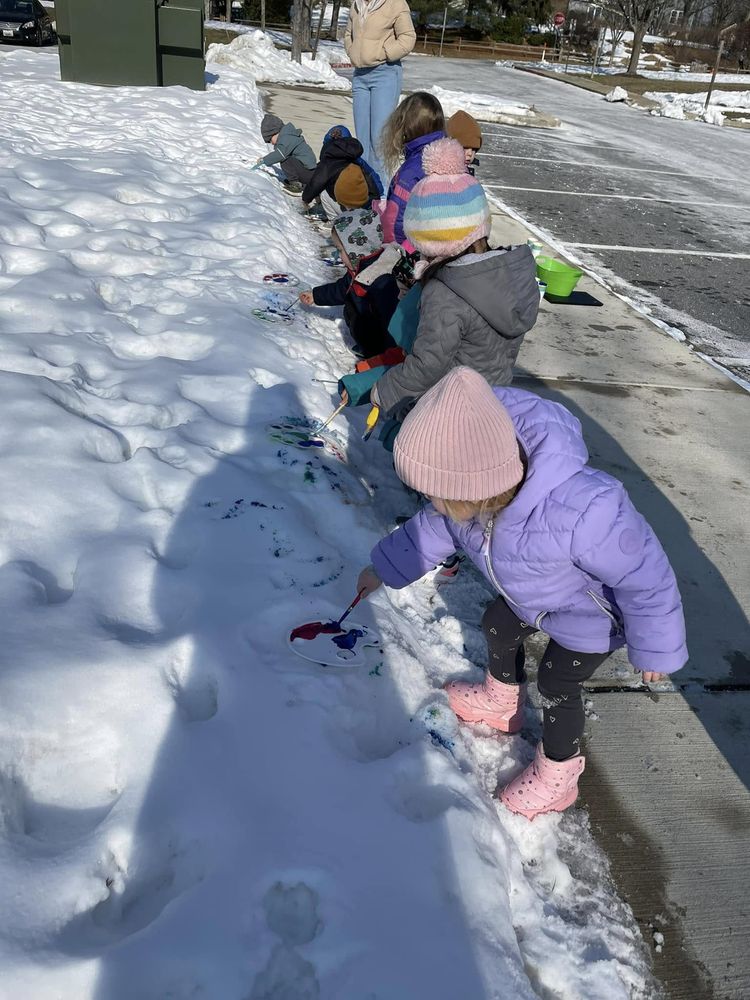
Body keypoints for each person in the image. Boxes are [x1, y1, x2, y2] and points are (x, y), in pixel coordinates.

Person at [357, 367, 688, 819]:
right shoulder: (466, 497)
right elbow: (432, 529)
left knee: (556, 680)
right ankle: (500, 703)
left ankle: (558, 775)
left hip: (588, 615)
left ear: (483, 485)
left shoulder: (586, 509)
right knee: (497, 623)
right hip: (532, 597)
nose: (435, 505)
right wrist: (384, 567)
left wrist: (656, 647)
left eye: (441, 496)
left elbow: (645, 575)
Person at [371, 137, 539, 419]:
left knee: (397, 437)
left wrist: (383, 391)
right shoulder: (508, 273)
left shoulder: (446, 291)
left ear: (428, 237)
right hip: (494, 401)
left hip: (452, 409)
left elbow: (427, 366)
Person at [299, 209, 398, 358]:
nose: (338, 256)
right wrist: (316, 295)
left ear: (356, 250)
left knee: (356, 314)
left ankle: (374, 352)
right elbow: (342, 288)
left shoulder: (383, 282)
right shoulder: (360, 267)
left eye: (340, 250)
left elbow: (393, 326)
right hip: (371, 325)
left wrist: (385, 359)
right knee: (350, 308)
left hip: (386, 342)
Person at [345, 0, 417, 188]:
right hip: (360, 76)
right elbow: (347, 34)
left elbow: (408, 37)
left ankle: (381, 194)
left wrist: (384, 53)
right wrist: (352, 52)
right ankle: (366, 192)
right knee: (361, 141)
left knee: (379, 140)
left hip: (385, 73)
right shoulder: (356, 4)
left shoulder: (396, 3)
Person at [378, 91, 445, 249]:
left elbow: (395, 219)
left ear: (406, 128)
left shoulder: (412, 170)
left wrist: (389, 249)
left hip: (411, 250)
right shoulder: (447, 157)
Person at [302, 125, 383, 220]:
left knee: (323, 193)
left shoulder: (329, 161)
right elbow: (377, 186)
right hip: (367, 206)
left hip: (350, 208)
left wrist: (305, 199)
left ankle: (335, 221)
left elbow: (316, 183)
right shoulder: (358, 160)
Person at [257, 113, 316, 194]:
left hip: (308, 173)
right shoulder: (288, 136)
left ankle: (296, 184)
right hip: (308, 172)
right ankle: (298, 181)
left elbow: (279, 154)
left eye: (270, 140)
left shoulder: (287, 139)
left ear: (275, 133)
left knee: (285, 159)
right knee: (286, 157)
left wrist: (264, 160)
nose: (272, 143)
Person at [446, 109, 482, 175]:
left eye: (474, 149)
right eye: (465, 147)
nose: (470, 153)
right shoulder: (441, 176)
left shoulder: (466, 174)